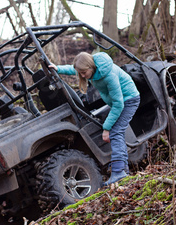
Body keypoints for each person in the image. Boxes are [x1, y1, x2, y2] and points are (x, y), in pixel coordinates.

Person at [49, 51, 140, 186]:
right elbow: (72, 69)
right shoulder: (91, 70)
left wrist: (106, 128)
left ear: (91, 67)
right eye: (80, 73)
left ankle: (119, 171)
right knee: (116, 132)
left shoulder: (109, 75)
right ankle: (122, 169)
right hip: (118, 103)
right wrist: (58, 68)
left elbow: (118, 104)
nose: (82, 76)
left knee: (115, 132)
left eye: (84, 72)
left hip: (128, 100)